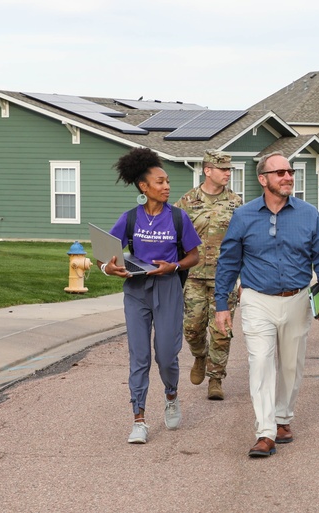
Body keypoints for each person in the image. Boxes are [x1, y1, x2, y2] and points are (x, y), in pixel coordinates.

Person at [214, 151, 319, 458]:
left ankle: (283, 419)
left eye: (290, 171)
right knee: (261, 363)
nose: (288, 177)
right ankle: (265, 432)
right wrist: (221, 305)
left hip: (296, 299)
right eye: (279, 172)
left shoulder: (308, 214)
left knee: (291, 366)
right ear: (263, 179)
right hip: (256, 300)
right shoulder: (244, 216)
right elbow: (229, 261)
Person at [98, 147, 201, 444]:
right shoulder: (130, 219)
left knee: (167, 355)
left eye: (167, 181)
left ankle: (171, 396)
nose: (166, 186)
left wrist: (175, 265)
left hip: (168, 288)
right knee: (139, 356)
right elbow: (105, 255)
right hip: (136, 291)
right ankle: (139, 419)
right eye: (160, 182)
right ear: (144, 187)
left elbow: (194, 256)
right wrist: (109, 268)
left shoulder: (179, 218)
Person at [173, 149, 243, 401]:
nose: (227, 173)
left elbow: (247, 242)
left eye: (229, 169)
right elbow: (173, 239)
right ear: (207, 170)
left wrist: (244, 277)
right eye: (222, 169)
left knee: (222, 331)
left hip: (224, 278)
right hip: (192, 277)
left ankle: (216, 378)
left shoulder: (236, 203)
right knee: (192, 328)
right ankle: (199, 355)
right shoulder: (186, 202)